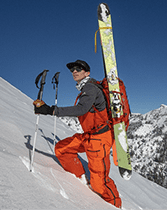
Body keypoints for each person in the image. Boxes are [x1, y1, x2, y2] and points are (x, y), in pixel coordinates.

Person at [33, 59, 122, 208]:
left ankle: (114, 205)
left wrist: (51, 110)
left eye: (79, 69)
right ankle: (82, 179)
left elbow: (81, 110)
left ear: (87, 73)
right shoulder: (86, 88)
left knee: (100, 183)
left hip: (99, 139)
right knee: (63, 148)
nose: (74, 71)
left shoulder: (90, 88)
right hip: (89, 136)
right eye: (72, 69)